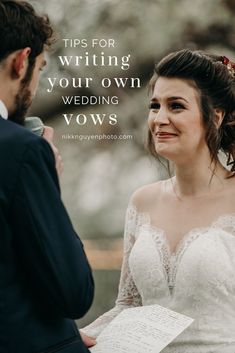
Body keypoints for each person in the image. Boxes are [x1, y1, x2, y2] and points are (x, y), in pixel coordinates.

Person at [81, 49, 235, 352]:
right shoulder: (143, 201)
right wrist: (69, 341)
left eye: (176, 106)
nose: (159, 119)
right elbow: (128, 305)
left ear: (214, 117)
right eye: (155, 106)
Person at [0, 1, 95, 352]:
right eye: (40, 69)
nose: (36, 85)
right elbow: (73, 293)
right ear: (21, 61)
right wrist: (49, 184)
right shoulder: (20, 150)